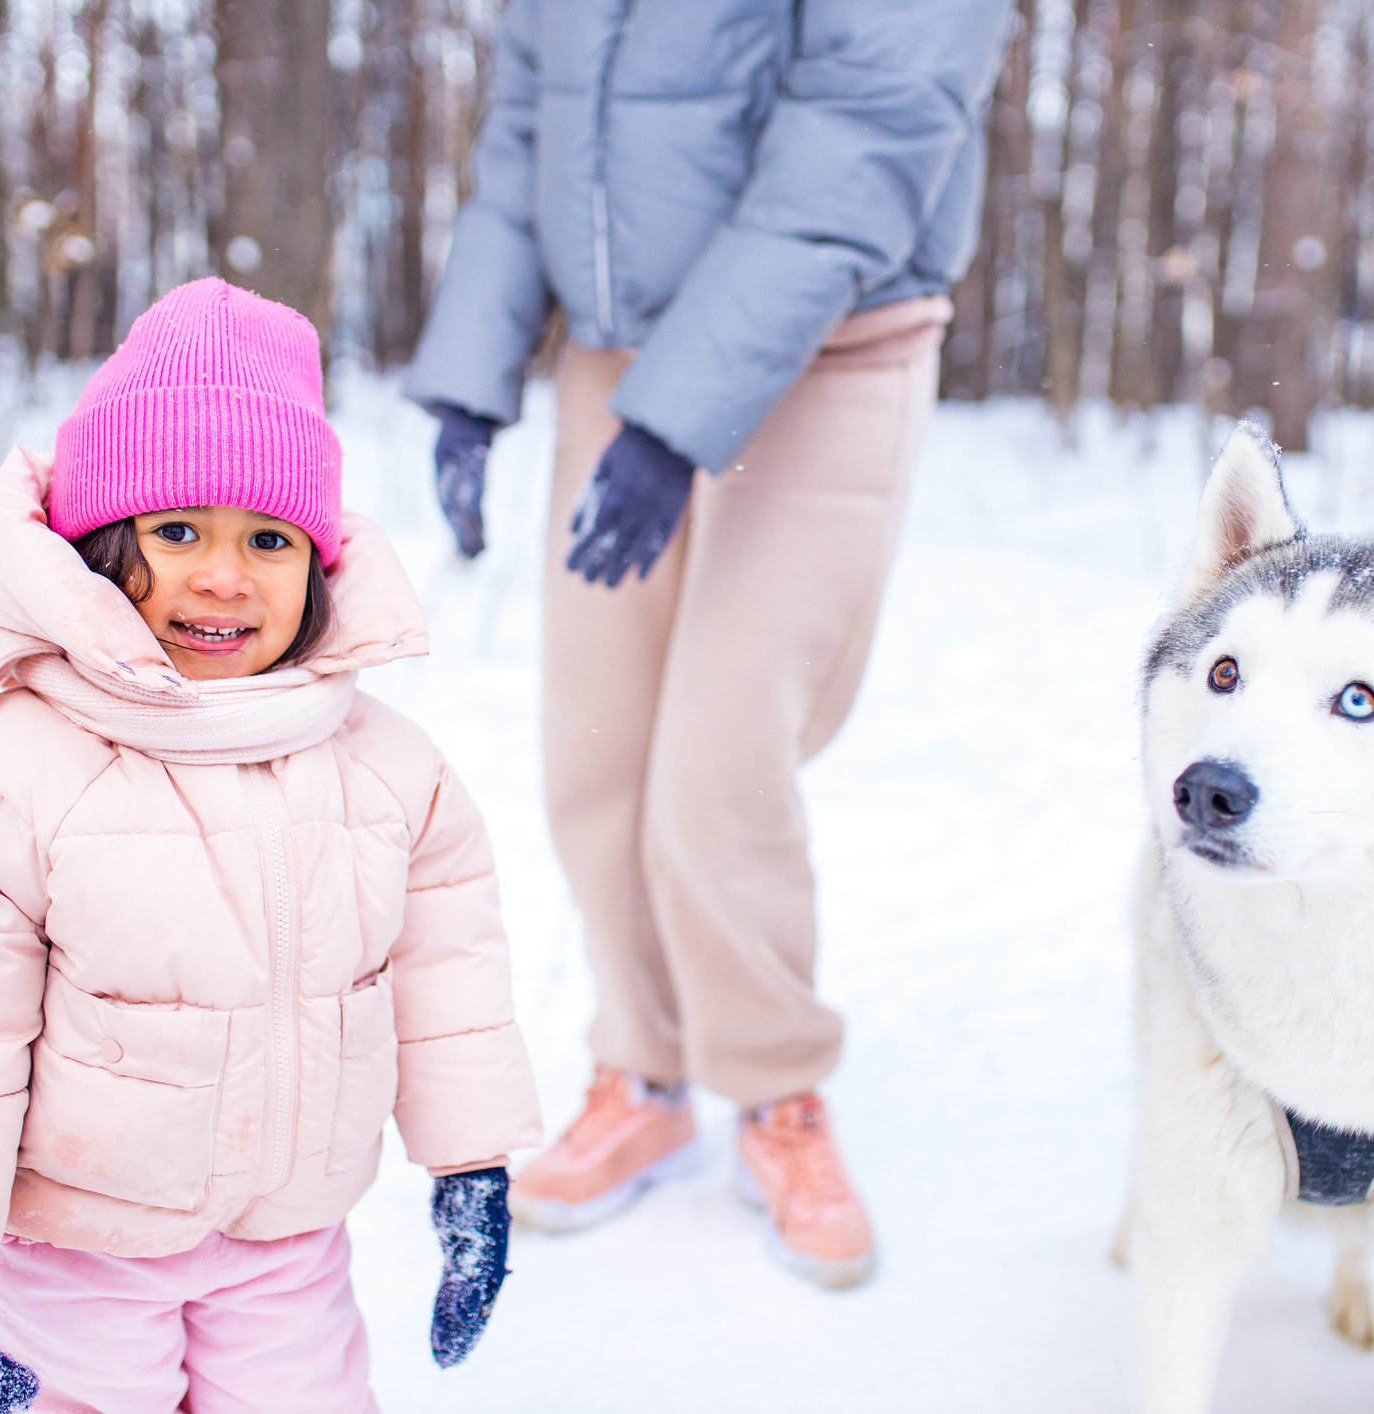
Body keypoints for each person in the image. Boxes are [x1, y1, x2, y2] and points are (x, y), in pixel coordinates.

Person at [0, 278, 541, 1412]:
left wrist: (471, 1162)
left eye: (268, 538)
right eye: (178, 529)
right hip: (68, 1261)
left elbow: (450, 981)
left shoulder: (385, 765)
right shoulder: (15, 767)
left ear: (320, 566)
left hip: (289, 1250)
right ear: (99, 545)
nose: (223, 575)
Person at [399, 1, 1012, 1289]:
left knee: (716, 767)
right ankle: (646, 1065)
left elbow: (869, 122)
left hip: (833, 354)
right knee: (598, 760)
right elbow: (530, 122)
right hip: (612, 362)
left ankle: (778, 1087)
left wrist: (680, 423)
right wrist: (473, 367)